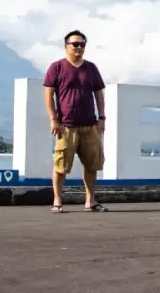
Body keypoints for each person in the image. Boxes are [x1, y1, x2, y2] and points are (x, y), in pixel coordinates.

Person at [43, 29, 108, 213]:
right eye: (75, 44)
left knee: (92, 164)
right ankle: (57, 200)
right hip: (66, 126)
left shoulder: (91, 68)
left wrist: (102, 117)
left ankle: (90, 201)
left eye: (82, 44)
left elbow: (98, 94)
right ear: (66, 47)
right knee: (61, 165)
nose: (79, 47)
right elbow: (48, 94)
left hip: (90, 125)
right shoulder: (56, 67)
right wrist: (53, 119)